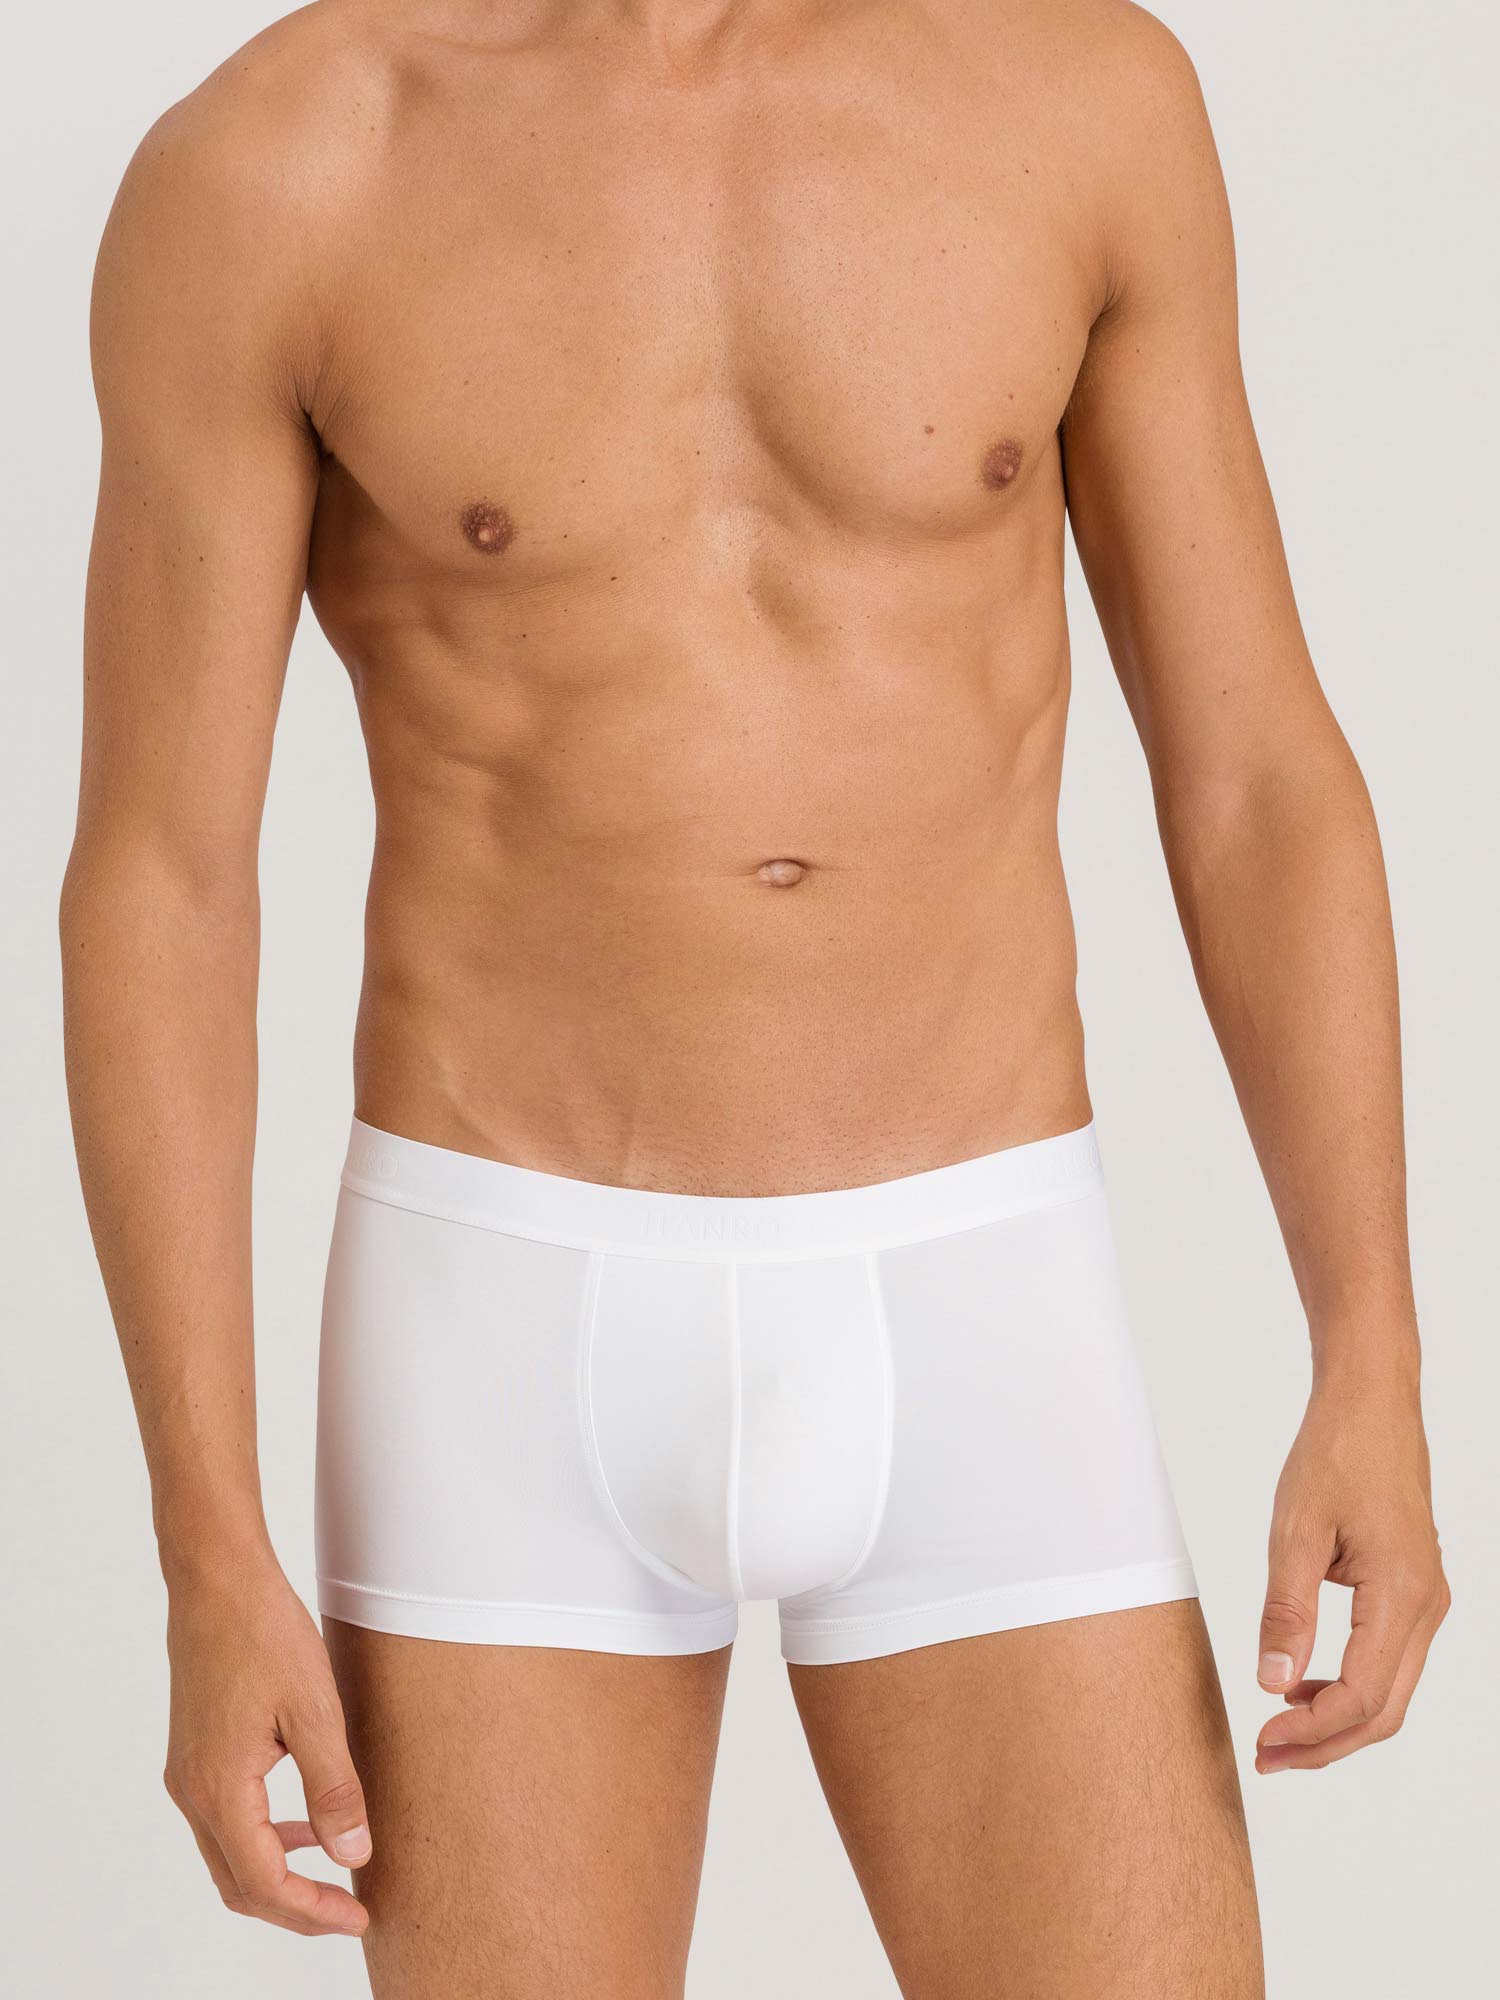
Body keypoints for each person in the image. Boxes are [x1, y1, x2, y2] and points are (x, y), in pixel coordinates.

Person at [61, 2, 1449, 1993]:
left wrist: (1369, 1350)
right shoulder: (280, 161)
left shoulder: (1077, 96)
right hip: (501, 1322)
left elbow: (1255, 777)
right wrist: (206, 1548)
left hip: (983, 1292)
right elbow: (163, 882)